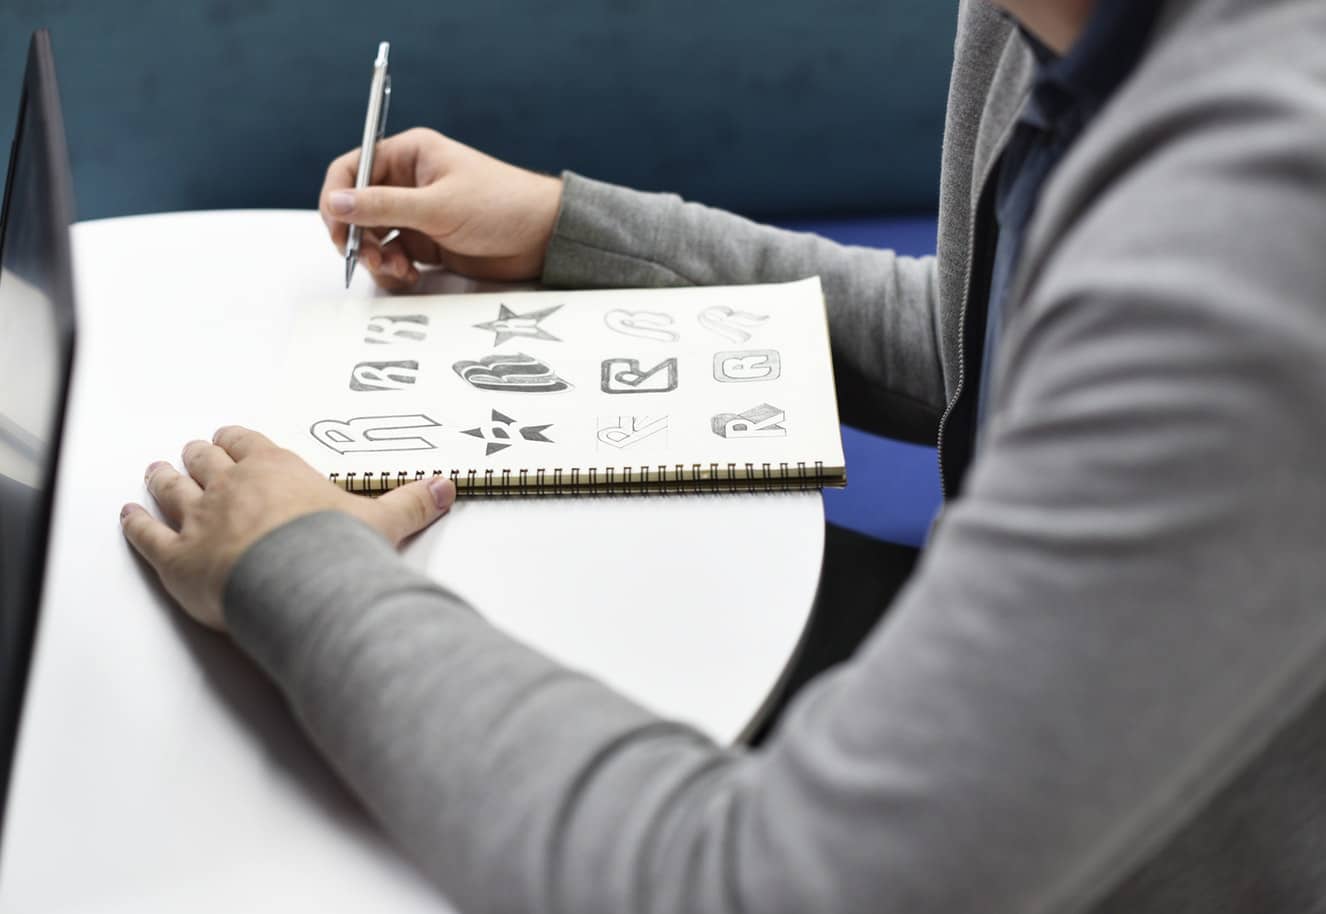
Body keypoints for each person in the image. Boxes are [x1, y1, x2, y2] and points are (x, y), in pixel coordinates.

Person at [120, 0, 1326, 911]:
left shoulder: (1261, 215)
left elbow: (763, 885)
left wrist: (297, 564)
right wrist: (570, 231)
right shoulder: (1054, 28)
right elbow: (976, 339)